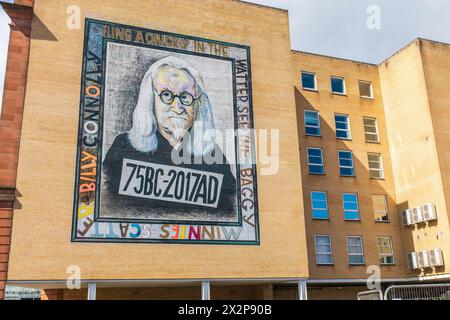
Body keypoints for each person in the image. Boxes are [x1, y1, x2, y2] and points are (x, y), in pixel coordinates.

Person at [101, 56, 237, 222]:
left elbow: (229, 213)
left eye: (186, 97)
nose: (177, 107)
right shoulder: (124, 147)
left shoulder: (214, 156)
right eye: (166, 95)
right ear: (150, 99)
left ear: (198, 105)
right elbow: (108, 204)